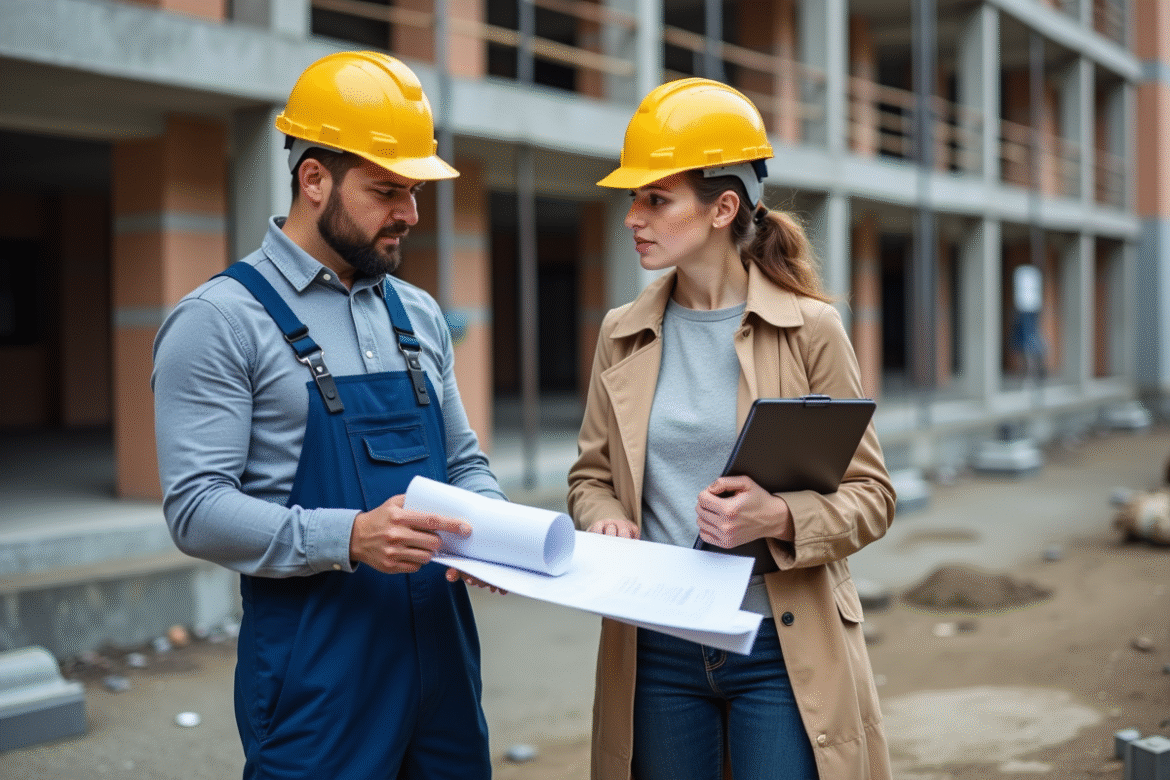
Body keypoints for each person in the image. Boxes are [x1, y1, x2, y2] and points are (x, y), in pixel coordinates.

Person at [152, 51, 503, 779]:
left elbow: (463, 460)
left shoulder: (420, 313)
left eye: (413, 191)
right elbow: (196, 508)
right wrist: (350, 535)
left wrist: (499, 528)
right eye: (386, 191)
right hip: (317, 675)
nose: (409, 213)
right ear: (314, 179)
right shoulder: (220, 320)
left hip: (442, 660)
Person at [567, 78, 897, 780]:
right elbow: (591, 477)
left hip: (781, 647)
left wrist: (779, 517)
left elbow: (872, 496)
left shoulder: (811, 329)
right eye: (633, 198)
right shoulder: (620, 333)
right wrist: (604, 519)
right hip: (653, 649)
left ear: (723, 207)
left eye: (655, 198)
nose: (633, 216)